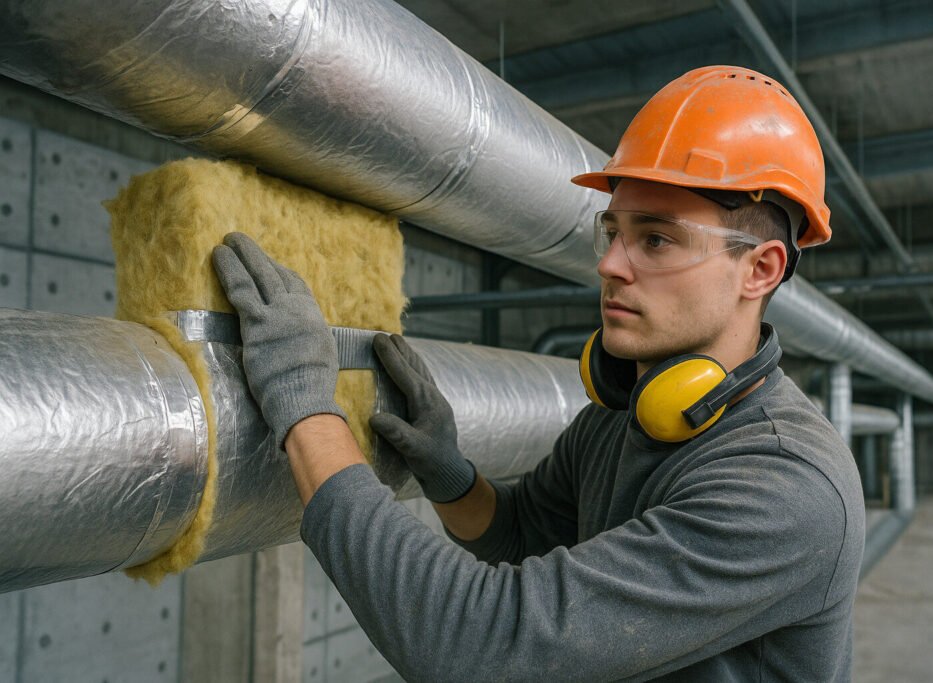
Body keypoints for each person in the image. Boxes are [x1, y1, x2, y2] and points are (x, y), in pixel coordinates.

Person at [212, 65, 865, 681]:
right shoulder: (620, 417)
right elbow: (520, 532)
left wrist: (307, 412)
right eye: (612, 233)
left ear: (761, 269)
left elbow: (476, 645)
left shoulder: (786, 487)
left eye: (656, 239)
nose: (611, 263)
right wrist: (453, 476)